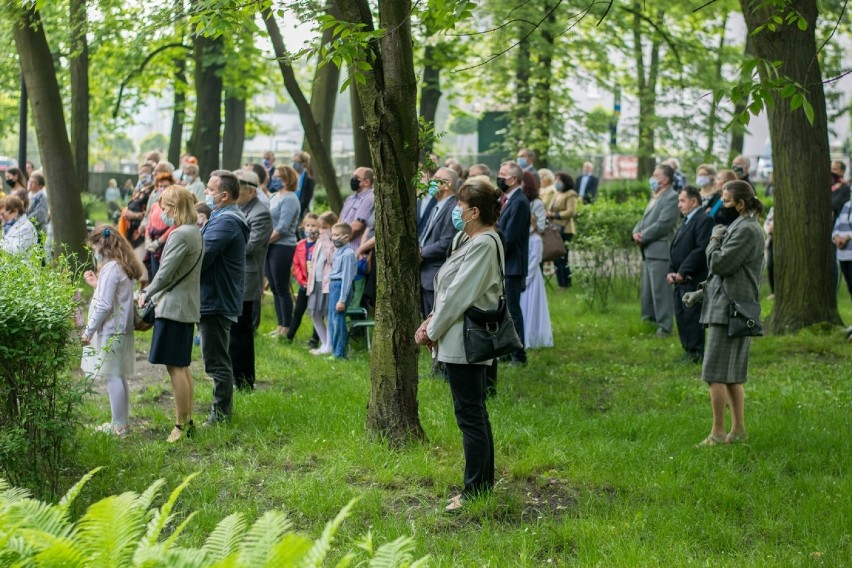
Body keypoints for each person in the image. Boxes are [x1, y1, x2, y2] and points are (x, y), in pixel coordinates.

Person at [414, 176, 501, 512]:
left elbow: (460, 295)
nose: (456, 211)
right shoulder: (473, 240)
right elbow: (449, 290)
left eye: (461, 208)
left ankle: (475, 490)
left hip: (466, 339)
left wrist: (431, 328)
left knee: (470, 414)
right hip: (457, 334)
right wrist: (431, 320)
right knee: (472, 412)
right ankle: (480, 483)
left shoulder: (483, 244)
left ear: (475, 211)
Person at [692, 180, 764, 446]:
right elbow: (724, 274)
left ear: (741, 204)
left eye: (726, 201)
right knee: (731, 374)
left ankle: (718, 433)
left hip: (731, 309)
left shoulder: (746, 230)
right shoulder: (741, 226)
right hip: (731, 306)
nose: (722, 205)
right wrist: (701, 293)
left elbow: (720, 264)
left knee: (715, 374)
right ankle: (739, 431)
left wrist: (713, 239)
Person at [138, 186, 204, 442]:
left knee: (175, 367)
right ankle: (187, 421)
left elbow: (164, 273)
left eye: (164, 207)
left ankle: (180, 424)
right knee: (182, 366)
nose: (162, 212)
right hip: (185, 306)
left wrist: (146, 292)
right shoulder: (195, 232)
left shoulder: (179, 235)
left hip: (173, 308)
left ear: (175, 208)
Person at [81, 226, 144, 437]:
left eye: (94, 246)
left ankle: (118, 426)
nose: (94, 251)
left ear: (103, 245)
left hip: (110, 330)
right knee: (119, 376)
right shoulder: (122, 266)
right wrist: (96, 284)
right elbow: (115, 295)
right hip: (122, 329)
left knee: (112, 377)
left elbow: (105, 304)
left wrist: (89, 331)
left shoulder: (110, 268)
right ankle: (122, 423)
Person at [200, 171, 249, 424]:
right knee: (215, 358)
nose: (206, 193)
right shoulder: (220, 217)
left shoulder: (227, 222)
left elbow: (201, 256)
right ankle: (220, 412)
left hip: (216, 300)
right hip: (213, 298)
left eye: (209, 189)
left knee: (217, 361)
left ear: (224, 195)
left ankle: (220, 416)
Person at [230, 169, 272, 391]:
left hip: (246, 279)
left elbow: (250, 247)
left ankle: (245, 381)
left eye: (237, 188)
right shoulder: (238, 208)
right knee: (233, 331)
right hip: (234, 278)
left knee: (242, 332)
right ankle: (235, 375)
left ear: (250, 191)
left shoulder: (259, 213)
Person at [666, 186, 714, 363]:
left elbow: (701, 249)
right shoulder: (686, 220)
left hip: (692, 279)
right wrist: (671, 271)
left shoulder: (704, 220)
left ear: (694, 201)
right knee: (681, 315)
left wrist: (683, 271)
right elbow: (676, 249)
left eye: (682, 201)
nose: (679, 205)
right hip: (679, 278)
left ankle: (696, 353)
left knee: (692, 317)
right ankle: (687, 352)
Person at [632, 164, 680, 337]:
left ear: (665, 179)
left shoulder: (672, 197)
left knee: (661, 293)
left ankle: (665, 328)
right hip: (649, 250)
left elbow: (663, 224)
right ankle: (649, 322)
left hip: (661, 252)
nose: (652, 178)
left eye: (655, 175)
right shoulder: (656, 196)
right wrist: (635, 232)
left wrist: (642, 236)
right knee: (648, 292)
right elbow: (645, 219)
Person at [496, 161, 531, 365]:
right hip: (506, 265)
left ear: (514, 179)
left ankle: (519, 355)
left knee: (512, 311)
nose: (499, 177)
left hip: (512, 266)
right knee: (504, 311)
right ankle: (507, 351)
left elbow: (509, 237)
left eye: (502, 174)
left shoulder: (519, 202)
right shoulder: (508, 199)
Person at [265, 165, 301, 337]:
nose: (275, 179)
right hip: (269, 245)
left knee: (282, 286)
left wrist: (264, 242)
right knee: (273, 286)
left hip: (282, 246)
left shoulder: (290, 199)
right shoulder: (274, 196)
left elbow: (283, 227)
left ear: (288, 179)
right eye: (275, 176)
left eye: (279, 176)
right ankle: (280, 325)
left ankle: (286, 326)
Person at [419, 167, 459, 317]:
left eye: (436, 178)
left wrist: (421, 253)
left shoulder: (453, 207)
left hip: (436, 273)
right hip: (426, 274)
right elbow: (425, 235)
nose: (431, 182)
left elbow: (446, 242)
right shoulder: (437, 205)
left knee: (435, 323)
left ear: (447, 184)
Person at [288, 213, 322, 346]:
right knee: (298, 311)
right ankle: (289, 336)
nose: (311, 228)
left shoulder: (321, 245)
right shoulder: (300, 245)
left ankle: (315, 339)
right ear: (303, 227)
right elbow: (296, 265)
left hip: (316, 285)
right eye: (308, 225)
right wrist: (303, 281)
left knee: (316, 312)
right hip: (304, 284)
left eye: (314, 225)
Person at [520, 213, 553, 348]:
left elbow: (535, 260)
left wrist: (527, 278)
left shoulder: (536, 239)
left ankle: (534, 336)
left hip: (532, 277)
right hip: (524, 274)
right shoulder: (526, 238)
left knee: (531, 304)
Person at [307, 211, 338, 355]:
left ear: (332, 227)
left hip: (327, 284)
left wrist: (327, 242)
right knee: (315, 314)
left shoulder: (334, 242)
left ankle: (330, 345)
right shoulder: (319, 241)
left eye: (325, 228)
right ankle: (324, 342)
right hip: (316, 282)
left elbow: (332, 259)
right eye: (320, 228)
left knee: (328, 314)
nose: (322, 231)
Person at [326, 222, 357, 359]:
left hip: (340, 287)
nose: (333, 238)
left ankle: (340, 353)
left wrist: (342, 299)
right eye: (332, 235)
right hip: (334, 286)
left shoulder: (348, 254)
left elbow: (346, 278)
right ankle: (335, 350)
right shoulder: (338, 252)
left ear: (346, 237)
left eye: (337, 235)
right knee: (332, 320)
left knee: (338, 321)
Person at [546, 172, 579, 289]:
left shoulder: (571, 194)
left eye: (558, 180)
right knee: (556, 258)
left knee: (563, 258)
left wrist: (554, 214)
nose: (556, 182)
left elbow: (571, 212)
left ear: (565, 181)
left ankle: (566, 284)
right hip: (555, 229)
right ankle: (561, 284)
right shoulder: (557, 194)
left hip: (565, 230)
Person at [144, 172, 177, 279]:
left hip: (166, 244)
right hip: (153, 245)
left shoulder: (175, 205)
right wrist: (147, 239)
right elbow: (149, 225)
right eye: (160, 186)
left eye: (166, 186)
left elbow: (175, 225)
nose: (162, 188)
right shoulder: (154, 205)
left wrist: (159, 241)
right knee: (154, 274)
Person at [832, 197, 852, 306]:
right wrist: (836, 237)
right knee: (850, 286)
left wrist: (847, 237)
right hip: (843, 254)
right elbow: (837, 224)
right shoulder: (846, 205)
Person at [293, 151, 315, 220]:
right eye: (294, 161)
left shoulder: (308, 179)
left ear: (304, 163)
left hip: (300, 212)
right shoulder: (293, 176)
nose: (295, 164)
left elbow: (306, 199)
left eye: (298, 162)